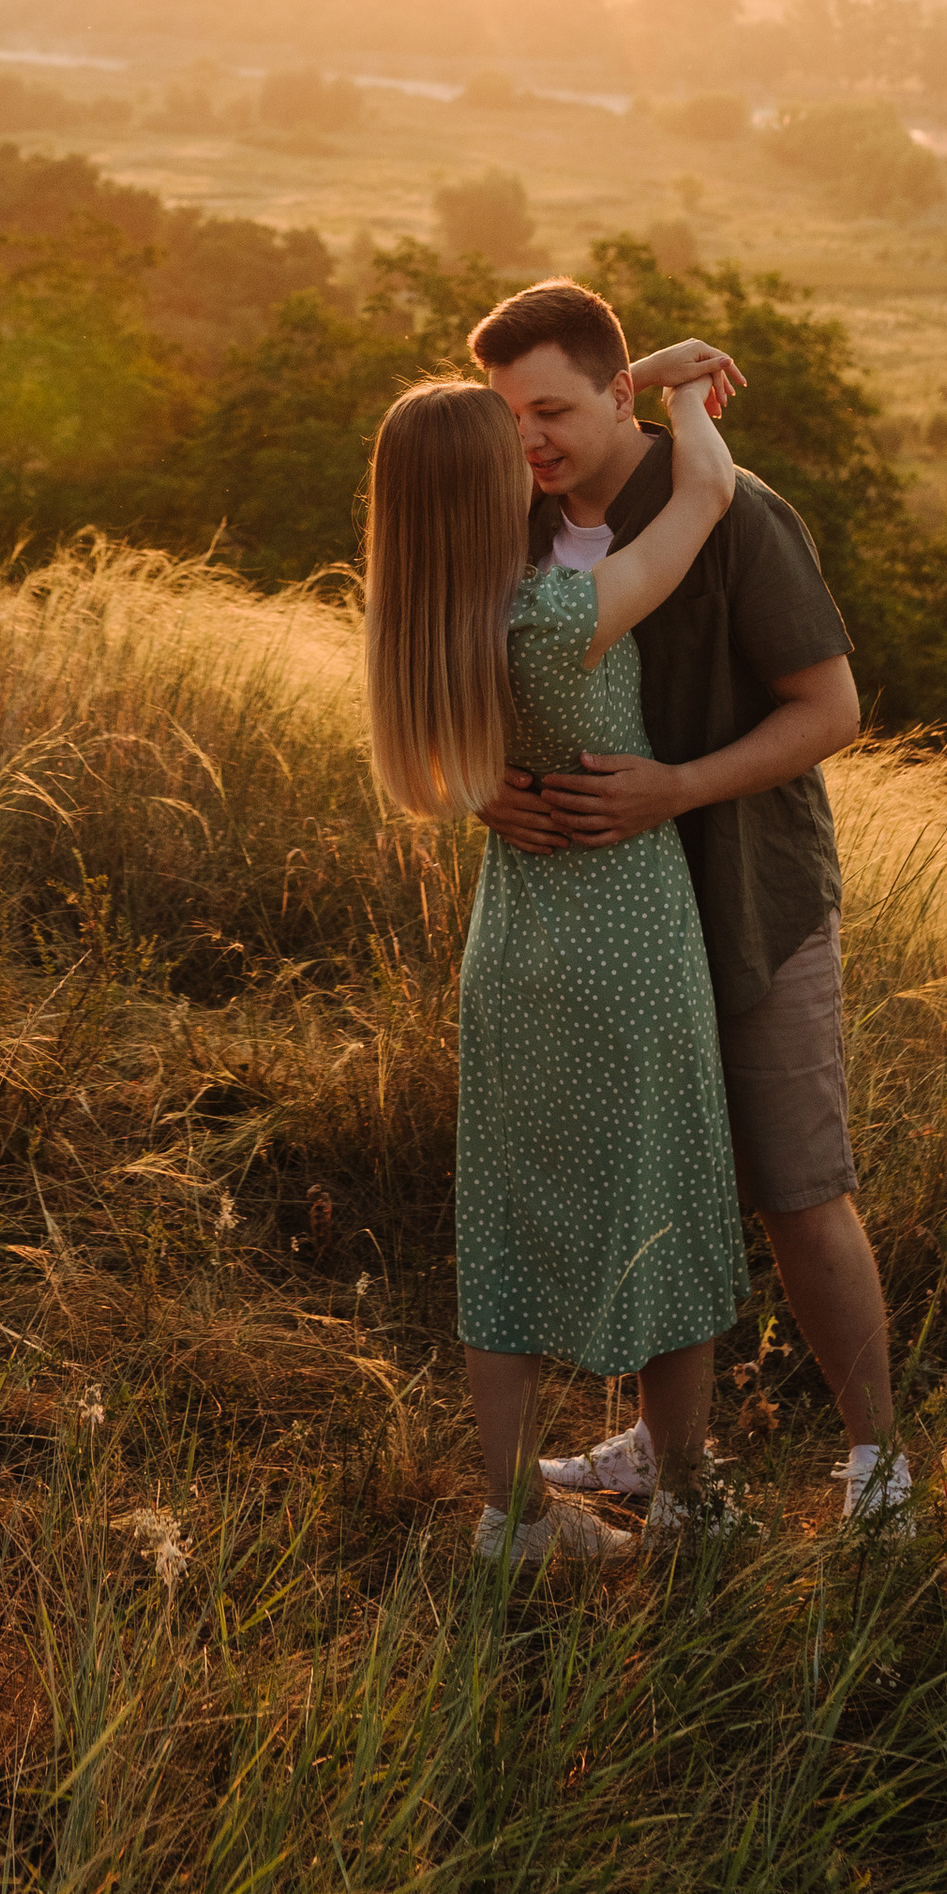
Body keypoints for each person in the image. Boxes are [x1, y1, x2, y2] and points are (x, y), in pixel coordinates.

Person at [469, 278, 913, 1532]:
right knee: (643, 1180)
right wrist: (477, 794)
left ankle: (878, 1474)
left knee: (797, 1189)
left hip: (743, 900)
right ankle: (664, 1458)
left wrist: (676, 790)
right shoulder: (512, 514)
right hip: (595, 920)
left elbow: (830, 712)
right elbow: (447, 685)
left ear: (617, 395)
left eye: (550, 410)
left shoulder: (727, 508)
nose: (529, 442)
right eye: (507, 418)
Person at [362, 369, 744, 1574]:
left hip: (514, 948)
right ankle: (684, 1498)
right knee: (667, 1199)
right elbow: (707, 495)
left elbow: (452, 771)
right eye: (507, 441)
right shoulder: (559, 612)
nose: (532, 446)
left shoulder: (427, 623)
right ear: (486, 488)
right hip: (623, 936)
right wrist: (684, 398)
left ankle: (511, 1519)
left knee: (510, 1221)